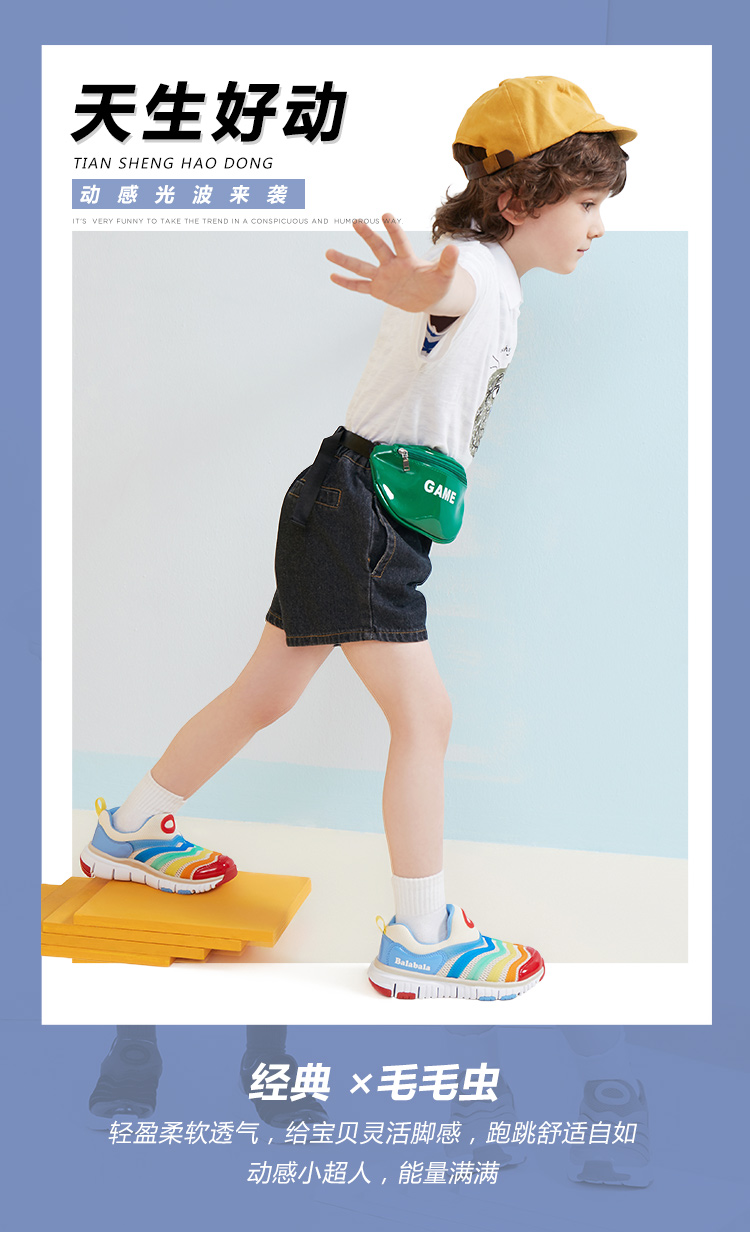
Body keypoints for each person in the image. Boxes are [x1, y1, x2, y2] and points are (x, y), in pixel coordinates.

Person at [80, 77, 636, 1000]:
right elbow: (448, 287)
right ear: (516, 201)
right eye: (585, 204)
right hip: (362, 511)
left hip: (346, 499)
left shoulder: (495, 277)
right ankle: (422, 936)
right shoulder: (471, 271)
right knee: (426, 718)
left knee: (265, 693)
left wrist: (433, 288)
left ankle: (128, 831)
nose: (598, 226)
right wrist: (426, 287)